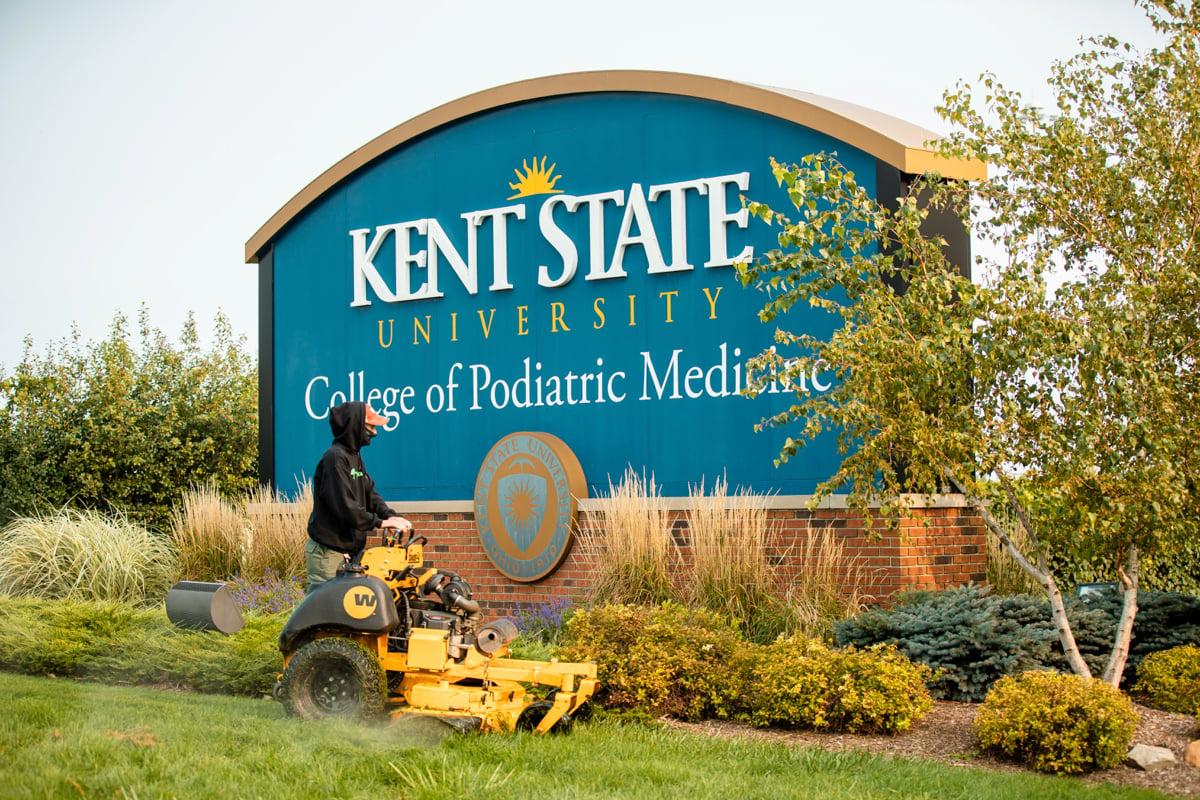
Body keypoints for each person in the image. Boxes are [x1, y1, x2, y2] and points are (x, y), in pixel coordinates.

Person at [305, 400, 411, 592]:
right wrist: (379, 523)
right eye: (370, 426)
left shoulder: (354, 458)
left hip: (347, 553)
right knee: (329, 614)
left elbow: (369, 493)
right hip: (328, 555)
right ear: (355, 426)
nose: (375, 432)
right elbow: (344, 507)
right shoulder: (334, 459)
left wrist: (390, 516)